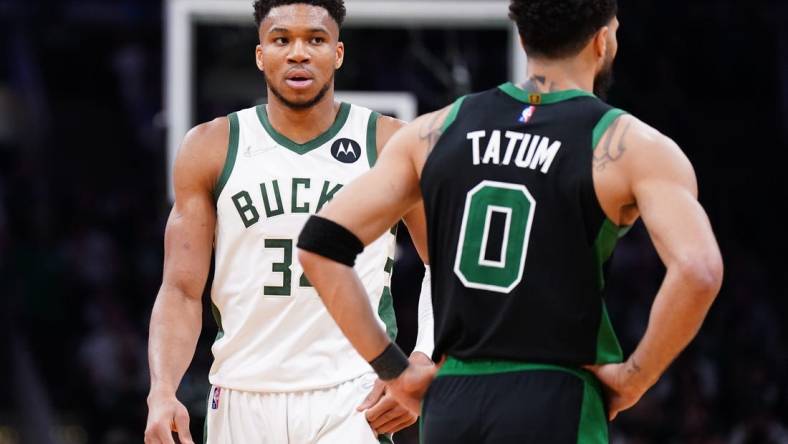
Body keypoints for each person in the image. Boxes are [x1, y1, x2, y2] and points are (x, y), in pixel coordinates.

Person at [297, 0, 724, 442]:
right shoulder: (631, 143)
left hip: (452, 401)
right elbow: (699, 270)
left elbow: (319, 245)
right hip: (556, 396)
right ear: (603, 41)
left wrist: (395, 370)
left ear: (522, 38)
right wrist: (636, 375)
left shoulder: (434, 130)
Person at [144, 1, 434, 443]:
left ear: (338, 53)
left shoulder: (390, 142)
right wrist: (162, 390)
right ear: (261, 54)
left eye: (315, 39)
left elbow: (447, 263)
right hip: (241, 392)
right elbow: (181, 290)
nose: (298, 53)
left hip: (351, 392)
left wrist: (423, 356)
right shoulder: (211, 146)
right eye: (282, 39)